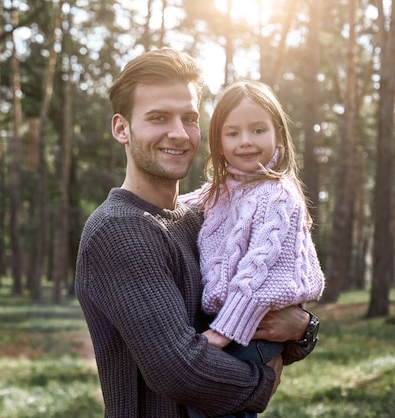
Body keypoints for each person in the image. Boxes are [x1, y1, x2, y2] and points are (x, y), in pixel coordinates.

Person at [75, 48, 319, 418]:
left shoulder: (199, 218)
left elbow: (261, 312)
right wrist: (262, 383)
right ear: (121, 128)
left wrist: (302, 327)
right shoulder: (119, 229)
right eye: (158, 118)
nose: (179, 133)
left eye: (189, 118)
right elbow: (179, 370)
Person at [180, 81, 325, 418]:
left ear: (277, 133)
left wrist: (220, 334)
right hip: (237, 328)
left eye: (257, 130)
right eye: (232, 133)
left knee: (212, 409)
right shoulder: (226, 189)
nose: (245, 141)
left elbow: (255, 282)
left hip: (249, 334)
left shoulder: (275, 194)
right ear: (218, 141)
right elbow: (182, 203)